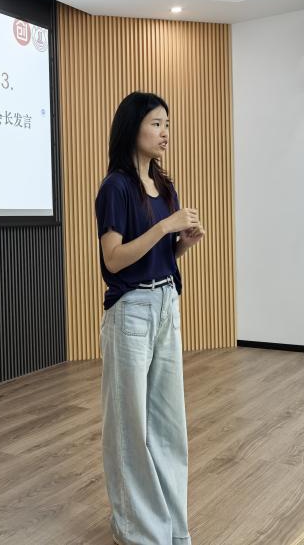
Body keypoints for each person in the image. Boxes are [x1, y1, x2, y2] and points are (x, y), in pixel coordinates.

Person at [95, 91, 205, 545]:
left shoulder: (165, 185)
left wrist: (183, 244)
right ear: (133, 127)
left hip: (165, 304)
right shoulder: (116, 187)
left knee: (168, 426)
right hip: (132, 312)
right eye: (156, 123)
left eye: (167, 124)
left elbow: (159, 256)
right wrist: (164, 227)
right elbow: (114, 259)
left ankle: (172, 530)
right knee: (130, 428)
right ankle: (139, 532)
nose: (165, 132)